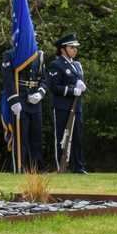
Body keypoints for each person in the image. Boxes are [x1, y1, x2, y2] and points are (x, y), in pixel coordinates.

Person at [2, 42, 47, 173]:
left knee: (37, 136)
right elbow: (8, 80)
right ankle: (19, 167)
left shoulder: (39, 55)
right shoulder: (11, 55)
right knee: (21, 136)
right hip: (20, 96)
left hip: (35, 98)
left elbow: (43, 79)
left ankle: (37, 169)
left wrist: (40, 93)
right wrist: (14, 100)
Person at [48, 32, 87, 174]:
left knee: (77, 136)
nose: (75, 50)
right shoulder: (56, 65)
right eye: (72, 47)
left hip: (76, 107)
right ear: (63, 49)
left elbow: (79, 86)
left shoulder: (77, 65)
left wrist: (83, 88)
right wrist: (72, 91)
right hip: (61, 106)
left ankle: (78, 167)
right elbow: (53, 87)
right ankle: (63, 167)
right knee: (63, 137)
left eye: (76, 47)